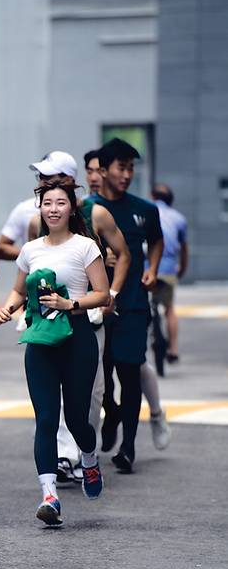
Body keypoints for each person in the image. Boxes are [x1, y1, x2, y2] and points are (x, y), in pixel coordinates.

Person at [0, 178, 110, 526]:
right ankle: (50, 496)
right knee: (46, 418)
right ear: (40, 208)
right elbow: (19, 291)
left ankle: (89, 460)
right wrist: (9, 307)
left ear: (71, 207)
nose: (54, 209)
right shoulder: (31, 250)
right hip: (41, 341)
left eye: (61, 203)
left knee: (78, 420)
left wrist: (69, 303)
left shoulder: (85, 247)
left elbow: (102, 294)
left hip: (77, 338)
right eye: (47, 203)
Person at [26, 151, 131, 482]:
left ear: (71, 184)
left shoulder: (96, 214)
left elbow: (123, 255)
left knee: (88, 400)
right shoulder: (37, 220)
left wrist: (108, 297)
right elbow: (31, 271)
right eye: (42, 180)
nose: (44, 184)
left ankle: (86, 453)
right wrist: (22, 306)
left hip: (88, 322)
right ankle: (62, 461)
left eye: (51, 177)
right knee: (48, 412)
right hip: (47, 326)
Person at [95, 138, 163, 473]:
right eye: (121, 167)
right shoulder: (86, 210)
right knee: (103, 377)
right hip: (96, 307)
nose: (127, 174)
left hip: (134, 304)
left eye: (131, 168)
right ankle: (112, 411)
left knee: (130, 372)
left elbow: (157, 241)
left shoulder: (145, 209)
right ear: (103, 170)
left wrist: (151, 268)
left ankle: (129, 447)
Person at [151, 184, 188, 364]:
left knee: (144, 309)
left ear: (152, 196)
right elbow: (184, 249)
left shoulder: (147, 211)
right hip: (168, 270)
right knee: (169, 309)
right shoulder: (179, 218)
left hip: (147, 270)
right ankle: (173, 348)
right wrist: (182, 268)